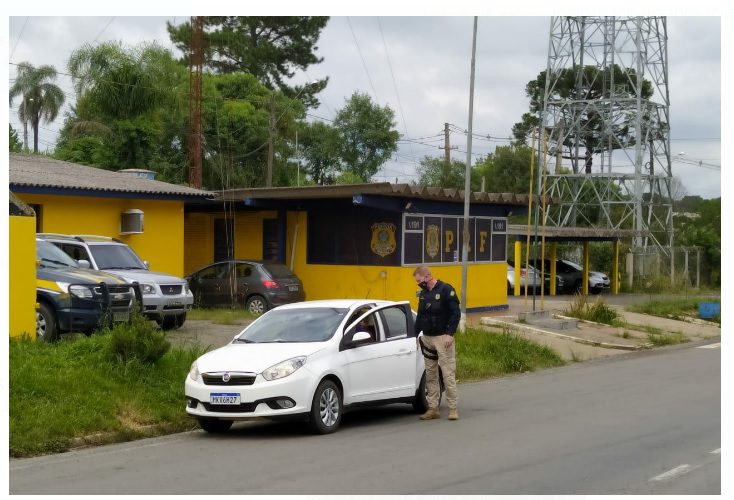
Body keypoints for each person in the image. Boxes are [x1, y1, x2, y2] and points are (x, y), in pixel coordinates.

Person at [413, 266, 460, 421]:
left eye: (419, 280)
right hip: (427, 338)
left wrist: (450, 334)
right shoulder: (423, 294)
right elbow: (420, 316)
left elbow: (455, 313)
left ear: (428, 276)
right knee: (430, 375)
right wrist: (415, 336)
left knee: (447, 374)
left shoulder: (446, 290)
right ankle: (433, 408)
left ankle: (453, 408)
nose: (418, 284)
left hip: (443, 338)